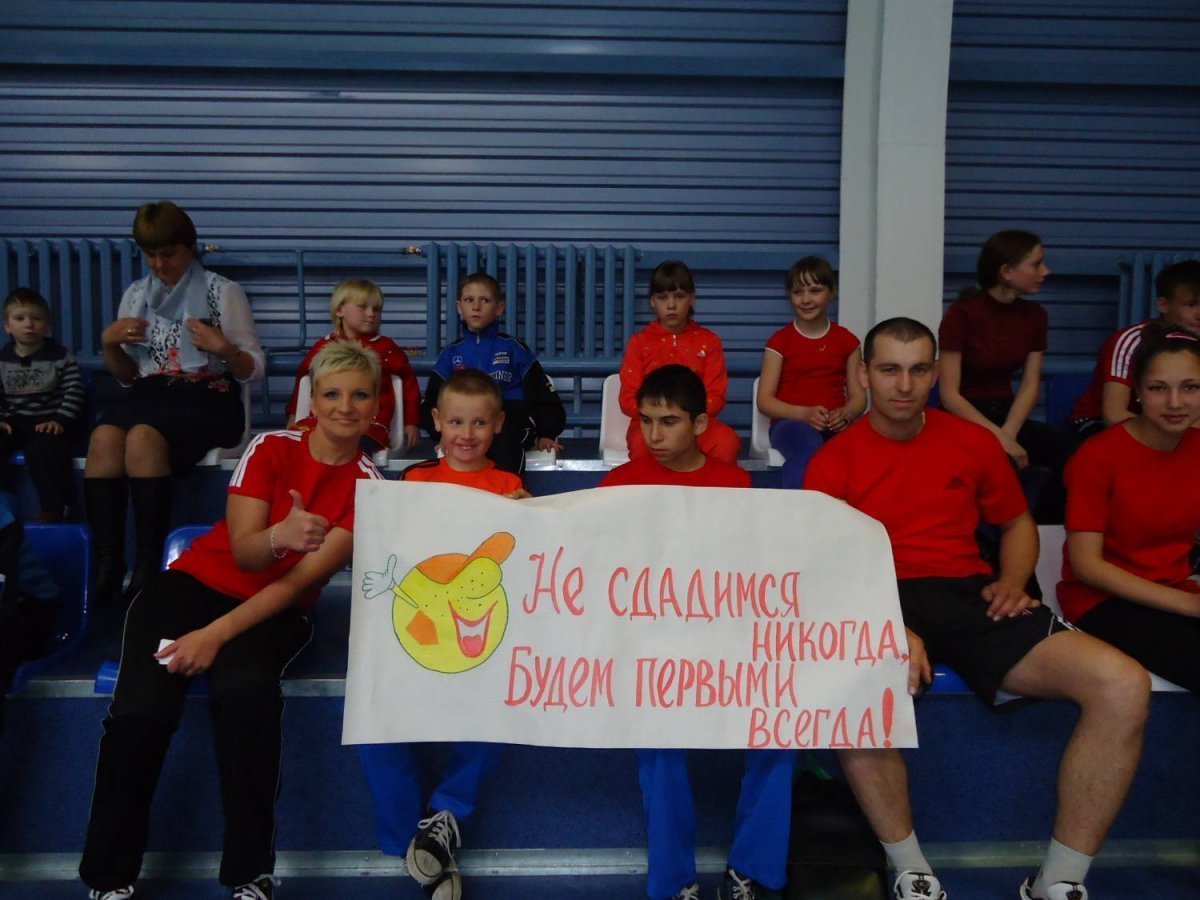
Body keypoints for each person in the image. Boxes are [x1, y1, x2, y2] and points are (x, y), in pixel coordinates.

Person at [805, 318, 1150, 900]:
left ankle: (1059, 880)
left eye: (919, 370)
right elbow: (822, 571)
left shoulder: (971, 442)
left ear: (935, 374)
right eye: (889, 370)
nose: (904, 385)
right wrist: (889, 625)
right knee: (856, 681)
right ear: (864, 374)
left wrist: (1014, 580)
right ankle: (911, 871)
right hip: (877, 596)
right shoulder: (831, 463)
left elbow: (1016, 522)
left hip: (968, 593)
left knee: (1123, 685)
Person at [78, 341, 385, 900]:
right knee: (141, 714)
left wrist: (212, 637)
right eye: (333, 394)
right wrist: (280, 536)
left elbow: (293, 587)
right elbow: (245, 554)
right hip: (190, 589)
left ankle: (249, 873)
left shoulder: (371, 487)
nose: (345, 407)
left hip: (273, 612)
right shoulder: (269, 446)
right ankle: (108, 877)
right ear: (313, 399)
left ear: (375, 404)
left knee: (247, 700)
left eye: (360, 395)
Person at [602, 364, 795, 900]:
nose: (654, 435)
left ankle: (751, 872)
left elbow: (753, 572)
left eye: (669, 422)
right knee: (658, 747)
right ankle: (674, 883)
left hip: (726, 644)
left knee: (781, 734)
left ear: (701, 423)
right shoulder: (617, 486)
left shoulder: (734, 484)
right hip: (652, 648)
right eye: (645, 421)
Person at [359, 368, 528, 900]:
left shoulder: (510, 488)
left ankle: (446, 816)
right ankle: (417, 846)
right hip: (418, 635)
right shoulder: (412, 482)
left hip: (479, 642)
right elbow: (390, 553)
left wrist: (528, 522)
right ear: (436, 420)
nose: (466, 434)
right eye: (456, 422)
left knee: (498, 710)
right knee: (368, 718)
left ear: (498, 424)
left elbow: (519, 570)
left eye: (479, 423)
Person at [84, 201, 265, 607]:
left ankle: (147, 566)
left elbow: (253, 370)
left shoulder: (222, 291)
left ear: (190, 248)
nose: (159, 264)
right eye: (150, 254)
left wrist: (223, 348)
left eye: (168, 254)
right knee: (104, 438)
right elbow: (128, 376)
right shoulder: (136, 295)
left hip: (208, 396)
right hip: (151, 393)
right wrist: (109, 344)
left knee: (142, 437)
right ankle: (108, 563)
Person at [1058, 326, 1200, 692]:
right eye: (1158, 388)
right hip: (1102, 601)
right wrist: (1188, 604)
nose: (1175, 403)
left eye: (1190, 387)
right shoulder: (1098, 456)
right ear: (1137, 391)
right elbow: (1087, 566)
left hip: (1175, 590)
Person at [937, 230, 1071, 522]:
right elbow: (949, 394)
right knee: (999, 466)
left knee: (1071, 456)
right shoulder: (962, 315)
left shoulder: (1036, 315)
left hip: (1008, 415)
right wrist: (998, 439)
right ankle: (999, 540)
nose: (1045, 271)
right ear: (1007, 272)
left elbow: (1030, 385)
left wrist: (1008, 434)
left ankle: (1046, 532)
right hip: (967, 417)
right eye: (1036, 264)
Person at [420, 272, 565, 475]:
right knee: (465, 440)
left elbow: (542, 393)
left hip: (511, 419)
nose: (476, 307)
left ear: (499, 308)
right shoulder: (450, 354)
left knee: (499, 438)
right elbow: (431, 403)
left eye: (485, 300)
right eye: (469, 300)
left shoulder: (514, 349)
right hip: (468, 422)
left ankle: (508, 492)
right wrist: (442, 435)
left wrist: (546, 433)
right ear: (459, 307)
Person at [755, 256, 865, 489]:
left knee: (859, 450)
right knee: (808, 446)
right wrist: (804, 414)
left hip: (835, 426)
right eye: (798, 292)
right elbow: (764, 401)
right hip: (790, 425)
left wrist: (846, 413)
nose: (806, 300)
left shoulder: (847, 341)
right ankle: (798, 508)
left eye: (815, 291)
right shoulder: (779, 342)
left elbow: (858, 398)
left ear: (832, 292)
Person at [620, 261, 740, 465]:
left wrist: (684, 420)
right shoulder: (639, 343)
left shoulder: (709, 342)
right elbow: (628, 398)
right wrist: (661, 418)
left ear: (692, 299)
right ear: (652, 301)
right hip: (652, 425)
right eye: (662, 298)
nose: (671, 305)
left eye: (679, 296)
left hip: (695, 425)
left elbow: (716, 396)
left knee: (727, 442)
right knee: (641, 443)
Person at [284, 277, 420, 452]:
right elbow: (303, 384)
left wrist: (411, 421)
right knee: (289, 445)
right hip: (321, 422)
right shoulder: (322, 347)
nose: (371, 314)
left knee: (344, 444)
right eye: (362, 307)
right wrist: (294, 414)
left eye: (376, 309)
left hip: (369, 427)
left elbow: (409, 387)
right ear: (339, 310)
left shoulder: (388, 349)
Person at [1067, 260, 1200, 439]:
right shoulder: (1132, 340)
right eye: (1191, 305)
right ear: (1163, 305)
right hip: (1100, 423)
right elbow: (1113, 415)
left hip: (1174, 426)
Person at [0, 287, 86, 521]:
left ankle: (54, 509)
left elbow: (74, 391)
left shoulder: (60, 356)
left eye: (36, 319)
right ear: (7, 326)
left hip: (50, 421)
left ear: (47, 326)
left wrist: (60, 420)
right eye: (20, 318)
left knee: (45, 449)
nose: (29, 325)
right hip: (15, 422)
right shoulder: (2, 359)